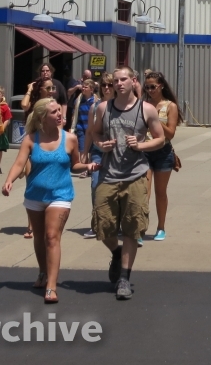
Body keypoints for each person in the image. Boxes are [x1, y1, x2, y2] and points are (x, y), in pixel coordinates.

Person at [1, 99, 98, 304]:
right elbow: (19, 163)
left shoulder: (70, 139)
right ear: (42, 117)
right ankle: (43, 272)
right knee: (39, 237)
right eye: (54, 112)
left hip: (60, 195)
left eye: (59, 110)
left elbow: (75, 165)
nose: (60, 114)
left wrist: (87, 166)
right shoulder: (31, 139)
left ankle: (51, 286)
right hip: (34, 196)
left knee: (52, 236)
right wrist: (9, 180)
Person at [84, 67, 166, 300]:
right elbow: (95, 132)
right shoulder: (104, 108)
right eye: (116, 81)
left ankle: (124, 278)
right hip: (108, 175)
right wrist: (101, 144)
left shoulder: (146, 109)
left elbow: (161, 138)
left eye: (123, 80)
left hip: (135, 175)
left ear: (133, 81)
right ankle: (116, 252)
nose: (118, 84)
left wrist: (140, 146)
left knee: (132, 228)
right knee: (102, 226)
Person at [18, 78, 61, 240]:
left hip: (50, 148)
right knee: (32, 185)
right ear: (40, 89)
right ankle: (31, 225)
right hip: (33, 148)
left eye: (52, 87)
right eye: (48, 88)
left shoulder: (54, 105)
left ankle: (48, 220)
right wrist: (30, 89)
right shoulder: (35, 104)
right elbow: (24, 105)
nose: (51, 91)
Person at [142, 71, 182, 241]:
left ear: (161, 86)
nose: (150, 90)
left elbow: (171, 134)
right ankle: (140, 228)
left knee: (160, 192)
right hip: (144, 151)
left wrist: (155, 119)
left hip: (163, 152)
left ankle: (161, 227)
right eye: (147, 87)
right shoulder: (143, 104)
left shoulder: (170, 106)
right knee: (143, 192)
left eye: (153, 87)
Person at [83, 73, 114, 239]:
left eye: (110, 85)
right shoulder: (95, 107)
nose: (107, 88)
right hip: (97, 153)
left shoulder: (122, 105)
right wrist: (84, 152)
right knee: (96, 185)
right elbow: (89, 131)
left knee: (116, 189)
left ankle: (114, 223)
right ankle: (96, 224)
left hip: (116, 154)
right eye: (104, 85)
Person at [71, 78, 96, 175]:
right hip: (81, 127)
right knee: (82, 149)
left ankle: (91, 167)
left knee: (92, 149)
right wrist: (73, 128)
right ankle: (84, 169)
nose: (83, 88)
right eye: (83, 87)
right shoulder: (78, 100)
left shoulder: (95, 101)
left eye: (86, 87)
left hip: (92, 129)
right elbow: (74, 114)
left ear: (91, 89)